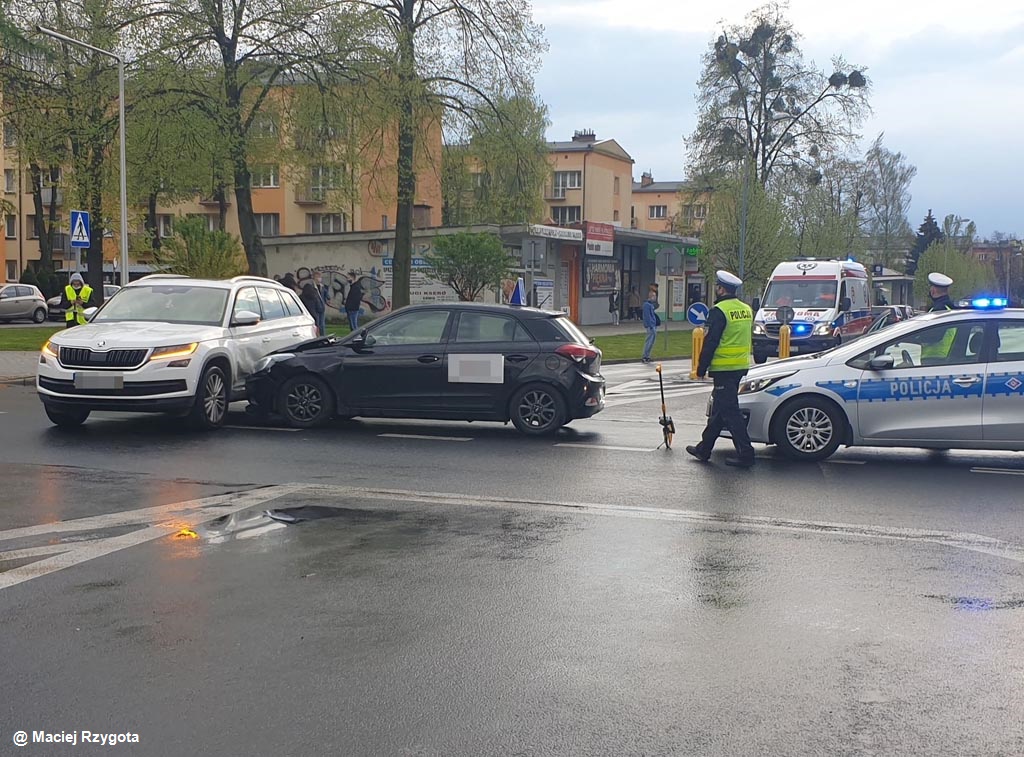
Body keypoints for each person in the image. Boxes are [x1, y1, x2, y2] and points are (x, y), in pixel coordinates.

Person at [685, 270, 756, 468]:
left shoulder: (719, 311)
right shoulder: (746, 309)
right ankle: (704, 449)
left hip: (724, 368)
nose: (716, 289)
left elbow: (711, 342)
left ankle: (746, 453)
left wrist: (700, 368)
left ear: (721, 289)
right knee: (719, 411)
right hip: (740, 366)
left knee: (731, 412)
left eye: (717, 287)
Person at [641, 289, 659, 363]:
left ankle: (648, 356)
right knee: (649, 341)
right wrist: (651, 325)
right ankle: (645, 356)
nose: (655, 298)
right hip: (650, 326)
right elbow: (647, 317)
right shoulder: (646, 305)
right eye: (654, 296)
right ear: (651, 296)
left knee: (652, 342)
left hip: (653, 325)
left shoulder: (650, 305)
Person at [312, 271, 328, 336]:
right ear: (314, 278)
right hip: (315, 308)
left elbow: (326, 295)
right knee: (317, 324)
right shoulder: (312, 286)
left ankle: (323, 336)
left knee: (322, 324)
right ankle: (317, 336)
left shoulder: (322, 287)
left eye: (320, 277)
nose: (319, 279)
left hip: (322, 307)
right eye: (318, 277)